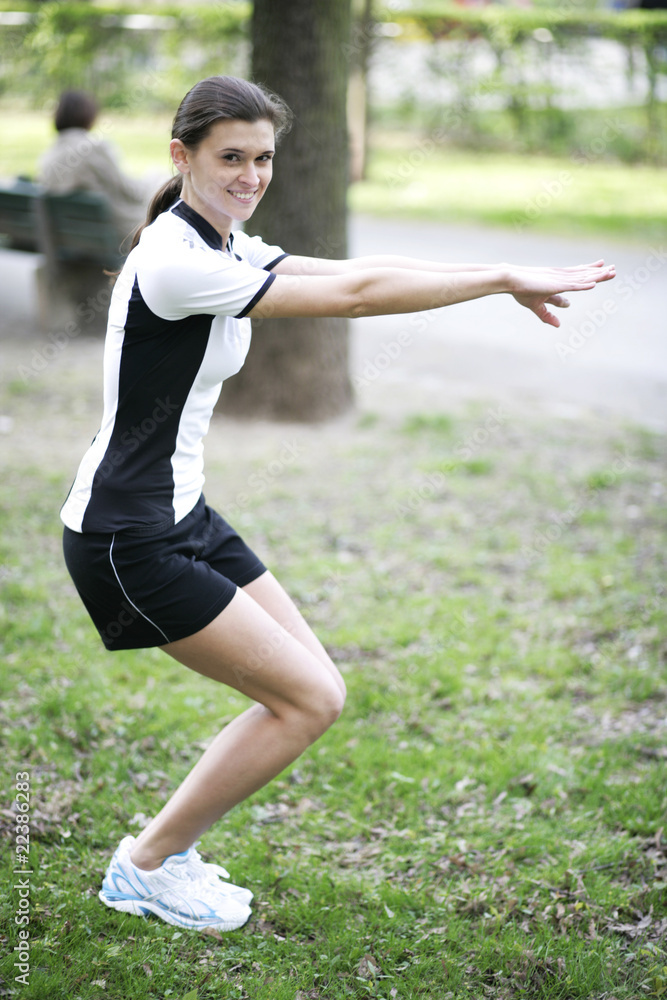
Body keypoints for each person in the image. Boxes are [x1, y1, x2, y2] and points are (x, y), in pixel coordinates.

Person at [60, 75, 615, 933]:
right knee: (308, 699)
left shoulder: (220, 241)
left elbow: (358, 272)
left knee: (312, 689)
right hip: (128, 538)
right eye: (231, 157)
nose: (251, 176)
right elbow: (354, 301)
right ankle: (145, 865)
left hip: (183, 514)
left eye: (263, 158)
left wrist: (496, 274)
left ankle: (163, 853)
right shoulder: (176, 260)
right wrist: (500, 277)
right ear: (182, 156)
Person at [39, 90, 151, 246]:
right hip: (116, 236)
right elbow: (130, 191)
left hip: (74, 240)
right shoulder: (93, 148)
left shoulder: (48, 155)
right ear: (88, 115)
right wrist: (154, 183)